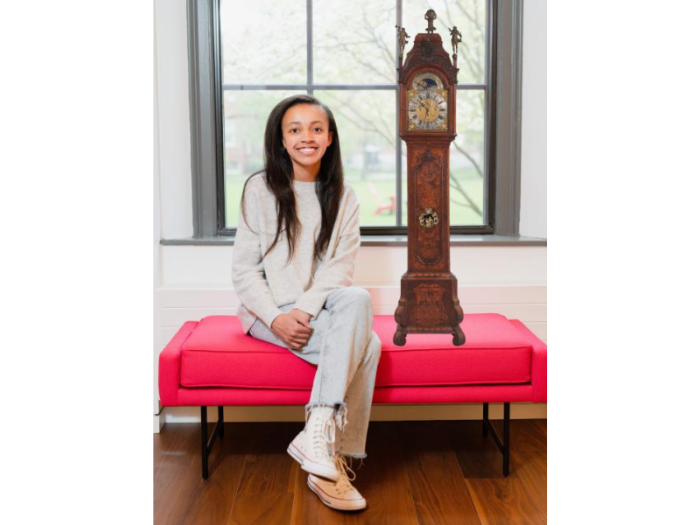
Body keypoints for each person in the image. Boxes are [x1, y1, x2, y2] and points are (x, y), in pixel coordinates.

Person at [231, 94, 382, 512]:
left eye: (316, 129)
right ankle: (332, 460)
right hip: (267, 312)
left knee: (356, 295)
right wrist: (279, 317)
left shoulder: (344, 196)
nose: (306, 137)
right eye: (294, 130)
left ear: (330, 138)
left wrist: (305, 310)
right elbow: (244, 272)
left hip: (319, 309)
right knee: (368, 345)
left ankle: (318, 440)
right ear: (281, 141)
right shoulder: (259, 190)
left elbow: (340, 270)